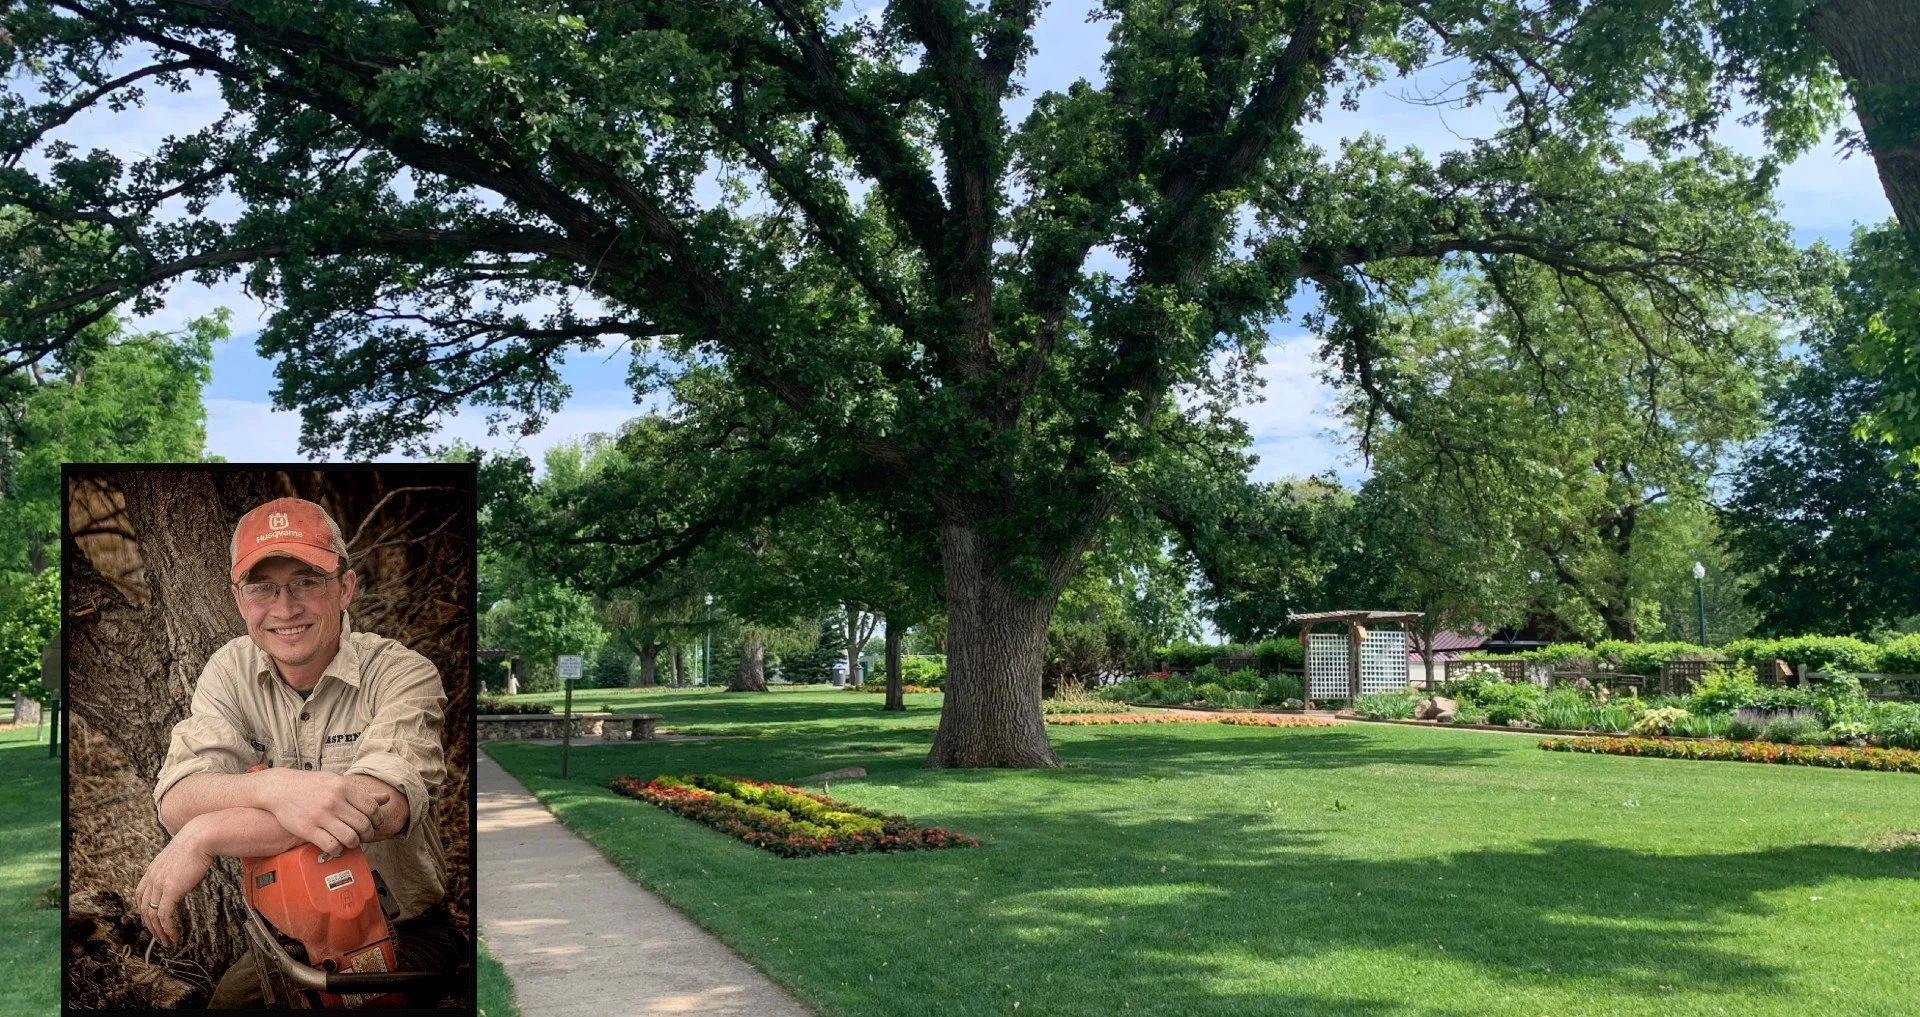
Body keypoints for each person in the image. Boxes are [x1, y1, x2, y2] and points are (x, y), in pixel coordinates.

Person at [136, 496, 465, 1007]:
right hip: (288, 934)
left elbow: (381, 807)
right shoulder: (229, 670)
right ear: (239, 599)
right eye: (262, 587)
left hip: (399, 928)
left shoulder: (402, 673)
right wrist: (271, 787)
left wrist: (207, 833)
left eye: (306, 582)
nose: (285, 608)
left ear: (345, 588)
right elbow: (178, 797)